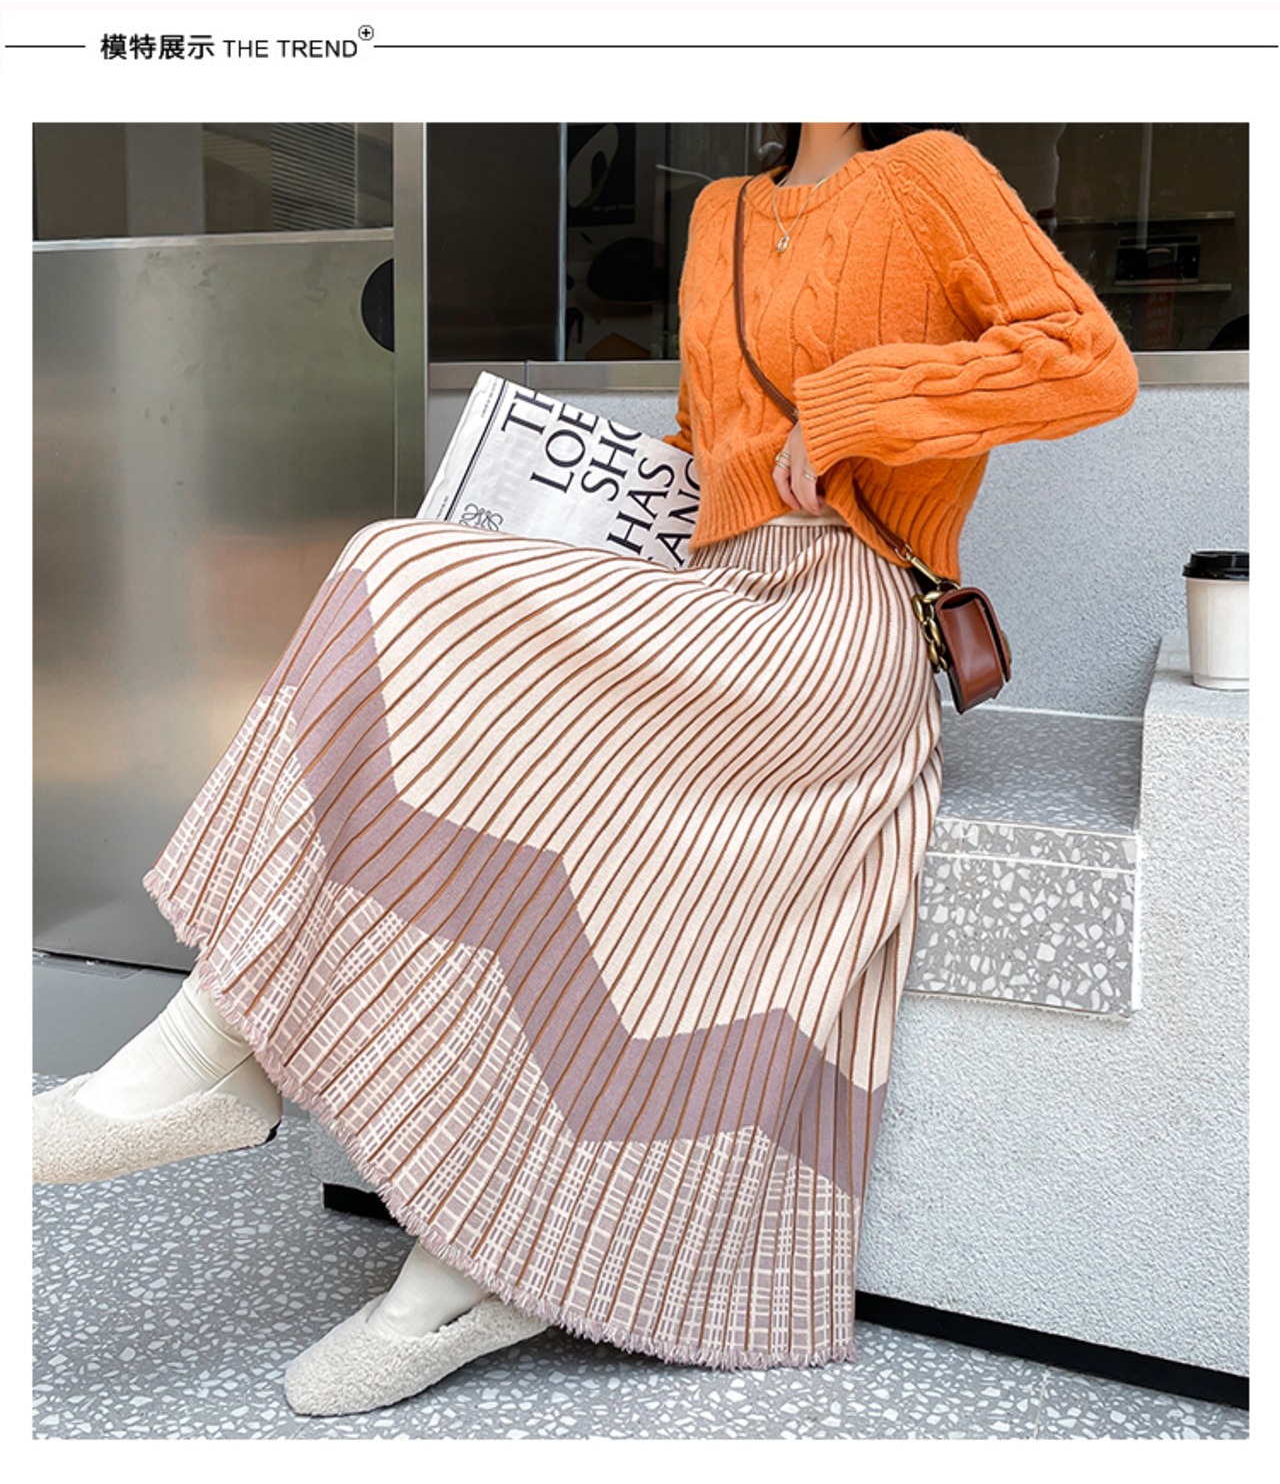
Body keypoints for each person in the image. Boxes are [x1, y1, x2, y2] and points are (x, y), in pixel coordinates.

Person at [33, 121, 1139, 1418]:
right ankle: (404, 1200)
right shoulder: (721, 215)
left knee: (398, 570)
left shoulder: (931, 172)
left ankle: (230, 1061)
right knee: (426, 625)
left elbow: (1089, 361)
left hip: (844, 626)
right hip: (716, 600)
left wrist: (857, 406)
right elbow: (703, 454)